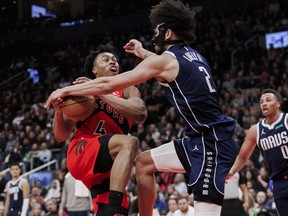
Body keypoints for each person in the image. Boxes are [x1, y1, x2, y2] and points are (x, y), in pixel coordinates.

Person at [44, 0, 237, 215]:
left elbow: (129, 98)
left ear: (167, 32)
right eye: (105, 59)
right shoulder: (194, 56)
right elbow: (164, 64)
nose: (153, 35)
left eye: (156, 30)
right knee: (143, 163)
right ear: (93, 70)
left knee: (130, 145)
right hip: (195, 139)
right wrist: (142, 51)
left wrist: (63, 90)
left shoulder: (142, 78)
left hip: (212, 144)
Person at [46, 45, 147, 215]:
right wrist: (58, 111)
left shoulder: (129, 90)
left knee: (113, 211)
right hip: (84, 150)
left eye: (114, 60)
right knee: (130, 142)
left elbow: (141, 114)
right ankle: (115, 206)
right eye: (105, 60)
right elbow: (61, 136)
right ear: (94, 70)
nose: (112, 62)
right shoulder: (83, 92)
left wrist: (100, 91)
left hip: (111, 165)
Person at [227, 89, 288, 216]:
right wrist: (231, 171)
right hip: (278, 183)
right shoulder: (255, 131)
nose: (264, 104)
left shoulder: (286, 120)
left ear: (277, 104)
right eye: (261, 102)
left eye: (268, 100)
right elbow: (243, 157)